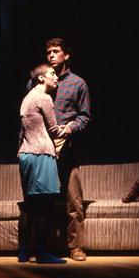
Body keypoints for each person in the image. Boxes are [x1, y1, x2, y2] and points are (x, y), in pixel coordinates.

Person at [45, 37, 91, 262]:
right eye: (48, 52)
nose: (51, 55)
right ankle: (46, 247)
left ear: (67, 55)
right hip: (43, 150)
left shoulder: (78, 84)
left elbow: (85, 116)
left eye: (55, 51)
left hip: (69, 150)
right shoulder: (40, 81)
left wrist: (71, 128)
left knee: (73, 201)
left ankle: (76, 247)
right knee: (46, 200)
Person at [17, 63, 67, 264]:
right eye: (52, 74)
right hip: (41, 153)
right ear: (41, 78)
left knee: (30, 205)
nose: (56, 77)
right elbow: (54, 129)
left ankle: (24, 252)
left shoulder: (27, 97)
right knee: (45, 205)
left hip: (26, 154)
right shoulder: (43, 97)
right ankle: (42, 252)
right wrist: (69, 127)